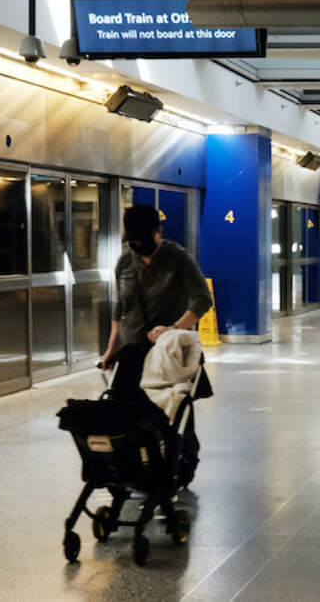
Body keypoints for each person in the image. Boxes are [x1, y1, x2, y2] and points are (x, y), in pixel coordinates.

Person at [101, 204, 214, 483]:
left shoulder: (177, 258)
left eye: (143, 238)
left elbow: (202, 299)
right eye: (134, 240)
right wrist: (112, 348)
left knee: (172, 411)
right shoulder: (125, 262)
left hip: (168, 353)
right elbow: (120, 307)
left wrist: (172, 329)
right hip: (132, 351)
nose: (139, 245)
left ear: (158, 231)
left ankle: (182, 464)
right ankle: (133, 467)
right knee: (123, 410)